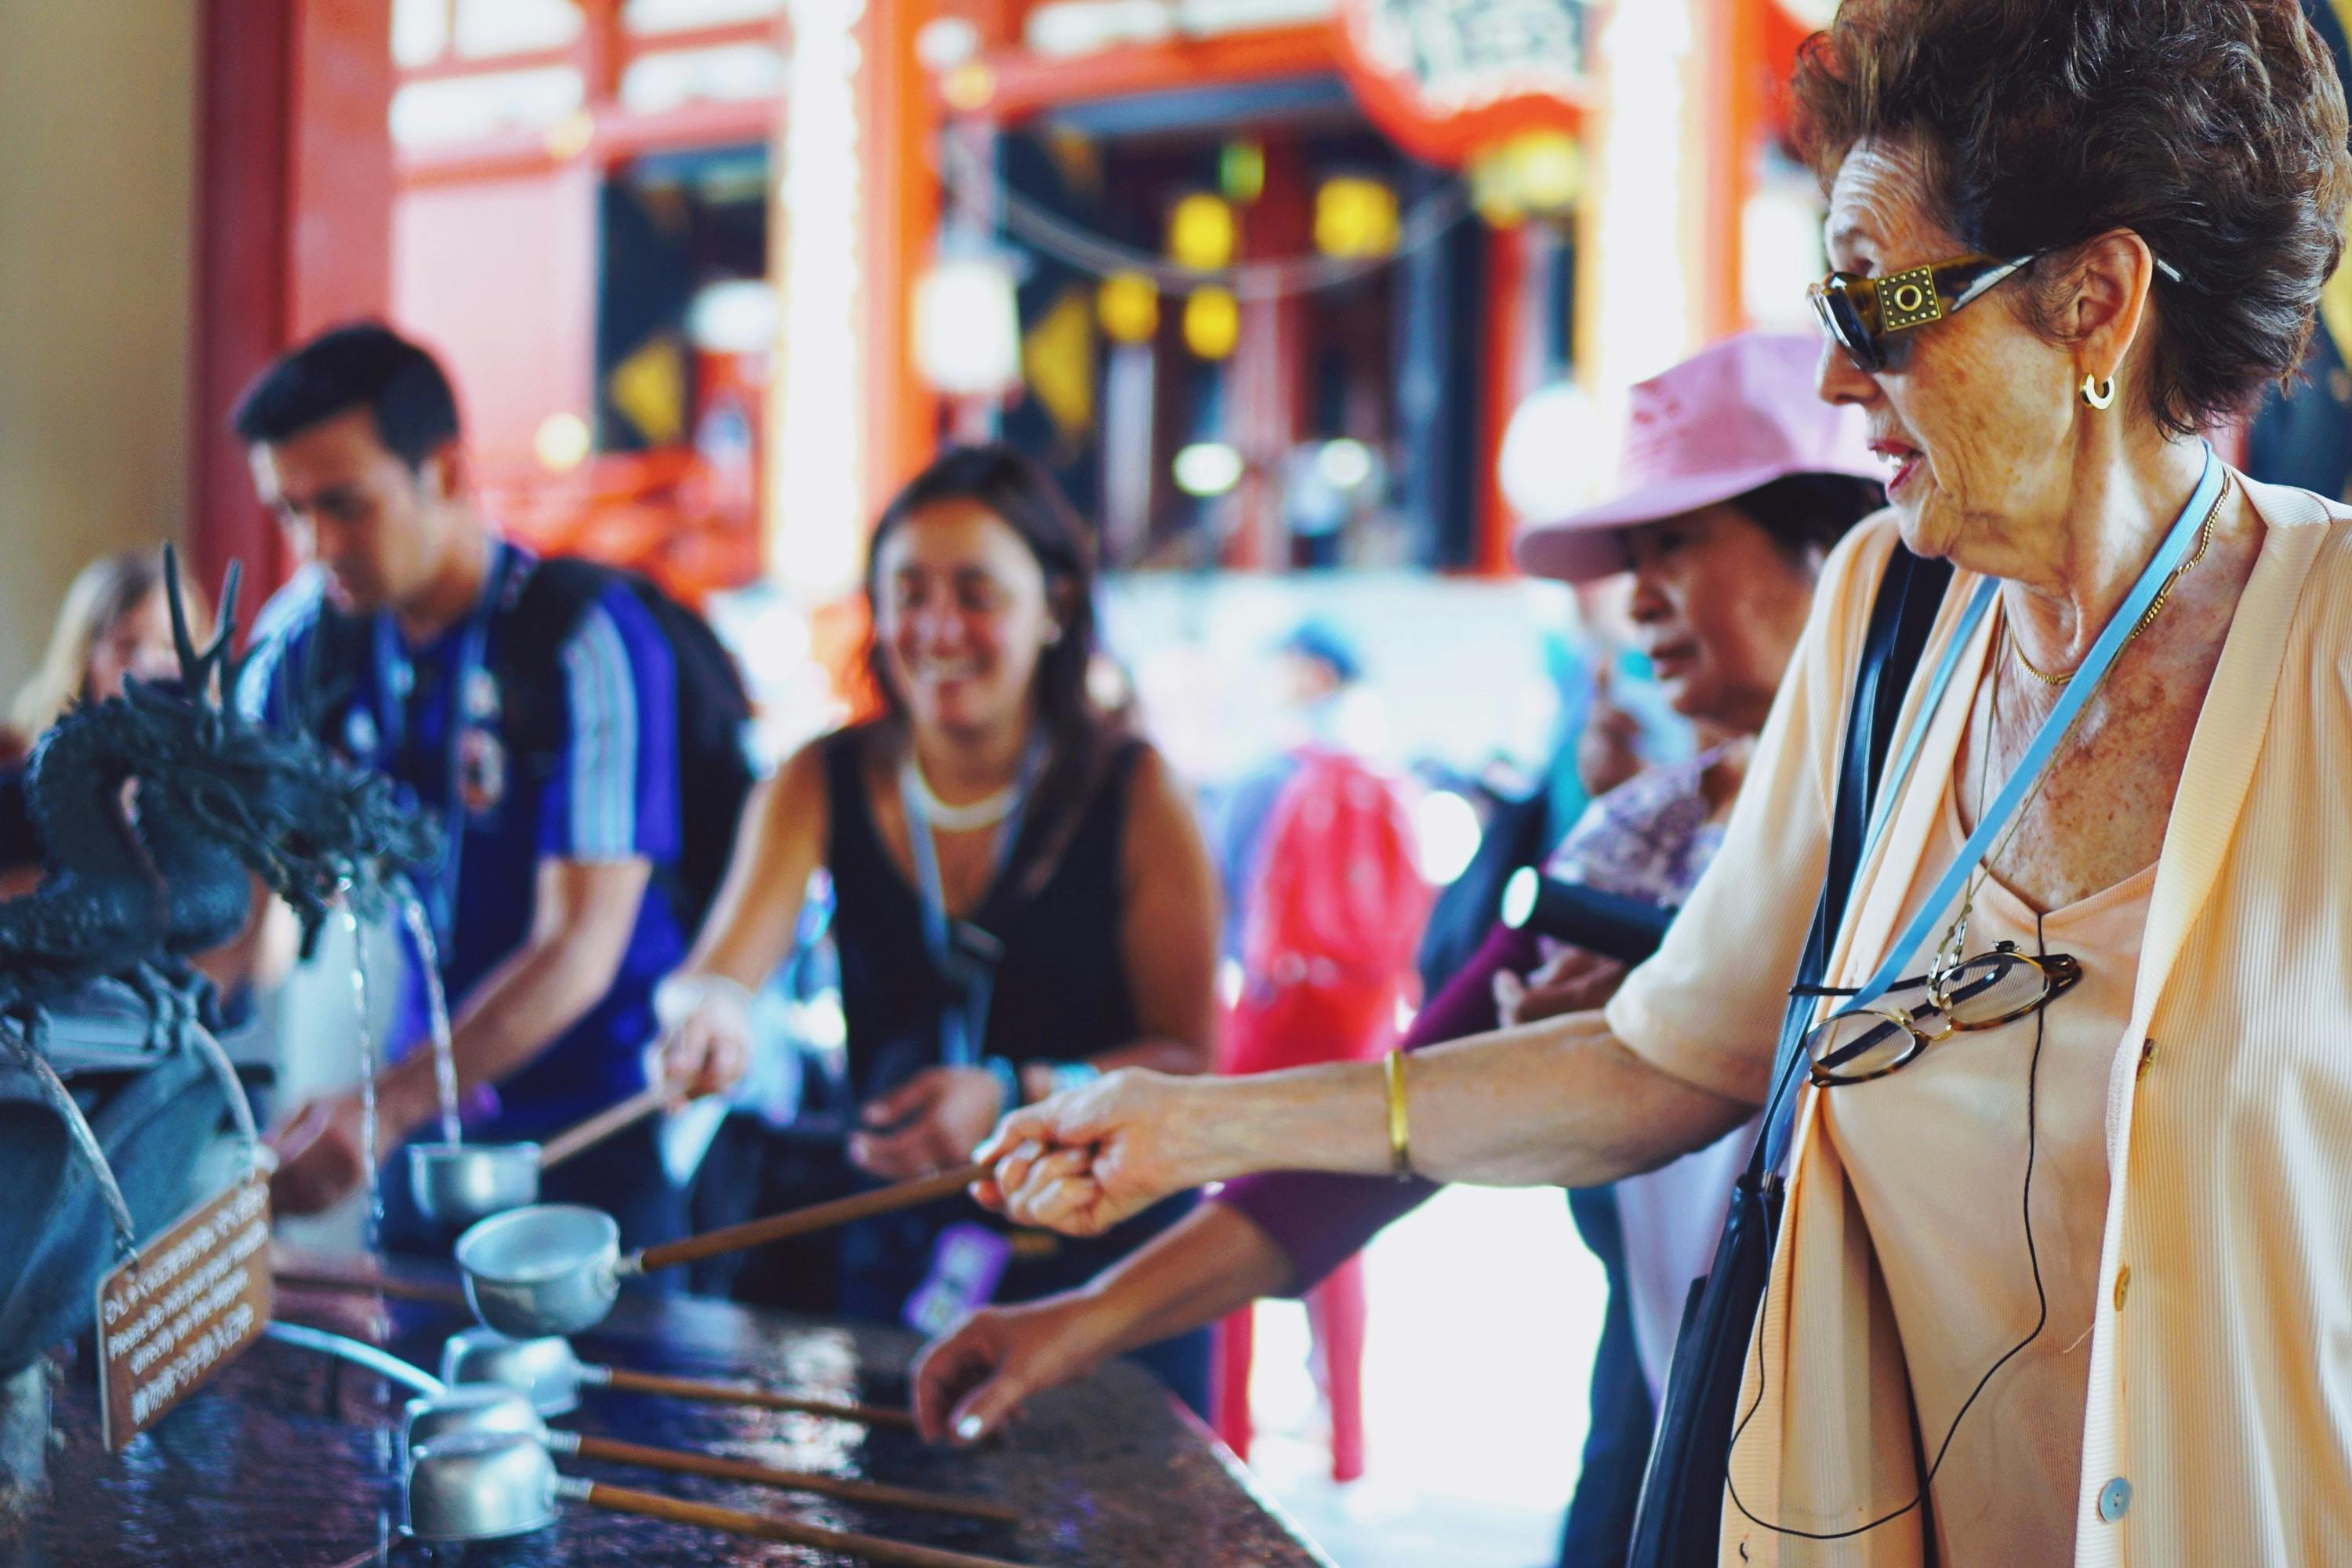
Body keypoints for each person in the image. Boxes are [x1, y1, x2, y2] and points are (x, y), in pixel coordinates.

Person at [952, 3, 2352, 1561]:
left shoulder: (2331, 652)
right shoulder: (1889, 616)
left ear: (2096, 300)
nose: (1835, 377)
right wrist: (1194, 1125)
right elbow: (1658, 1062)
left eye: (1881, 304)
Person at [912, 333, 1886, 1568]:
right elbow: (1380, 1141)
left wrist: (1193, 1122)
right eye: (1632, 557)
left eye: (1678, 543)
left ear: (1843, 542)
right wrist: (1078, 1320)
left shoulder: (1928, 804)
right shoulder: (1639, 835)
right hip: (1670, 1411)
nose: (1638, 597)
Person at [659, 443, 1221, 1410]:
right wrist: (705, 1016)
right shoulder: (818, 777)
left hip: (1110, 1268)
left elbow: (1193, 1060)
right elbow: (719, 972)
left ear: (1053, 606)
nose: (938, 626)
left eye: (977, 592)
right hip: (902, 1250)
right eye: (908, 591)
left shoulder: (1137, 791)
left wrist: (1015, 1091)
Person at [236, 323, 701, 1254]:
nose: (317, 543)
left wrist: (387, 1104)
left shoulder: (584, 636)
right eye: (290, 513)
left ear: (444, 471)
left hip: (591, 1128)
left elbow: (577, 944)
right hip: (421, 1130)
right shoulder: (303, 643)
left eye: (346, 504)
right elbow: (237, 895)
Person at [1206, 616, 1427, 1479]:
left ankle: (1227, 1431)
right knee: (1342, 1226)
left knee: (1232, 1214)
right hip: (1360, 1028)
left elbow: (1227, 899)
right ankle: (1347, 1442)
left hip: (1269, 1022)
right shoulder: (1390, 770)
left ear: (1308, 672)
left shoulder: (1265, 772)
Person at [1, 549, 207, 886]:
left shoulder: (219, 812)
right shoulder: (16, 803)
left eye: (172, 647)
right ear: (84, 659)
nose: (149, 669)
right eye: (126, 646)